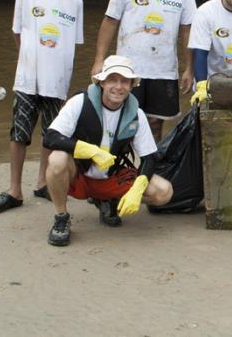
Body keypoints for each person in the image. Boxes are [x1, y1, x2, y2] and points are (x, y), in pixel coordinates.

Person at [0, 0, 83, 214]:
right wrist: (28, 61)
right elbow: (18, 31)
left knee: (51, 135)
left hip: (58, 80)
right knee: (19, 133)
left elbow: (73, 42)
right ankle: (14, 190)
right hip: (27, 78)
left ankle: (42, 182)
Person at [43, 55, 173, 246]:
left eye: (124, 81)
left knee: (164, 192)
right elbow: (51, 137)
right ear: (102, 82)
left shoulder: (136, 114)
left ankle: (110, 201)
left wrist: (138, 189)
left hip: (112, 176)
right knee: (57, 159)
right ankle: (61, 217)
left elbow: (149, 158)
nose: (118, 87)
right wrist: (89, 150)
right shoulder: (79, 102)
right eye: (112, 79)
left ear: (131, 86)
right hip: (79, 175)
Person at [91, 0, 197, 142]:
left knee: (156, 123)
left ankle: (149, 169)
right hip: (129, 67)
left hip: (164, 69)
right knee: (123, 121)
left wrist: (189, 68)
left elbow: (188, 30)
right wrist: (98, 60)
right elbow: (110, 21)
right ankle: (122, 171)